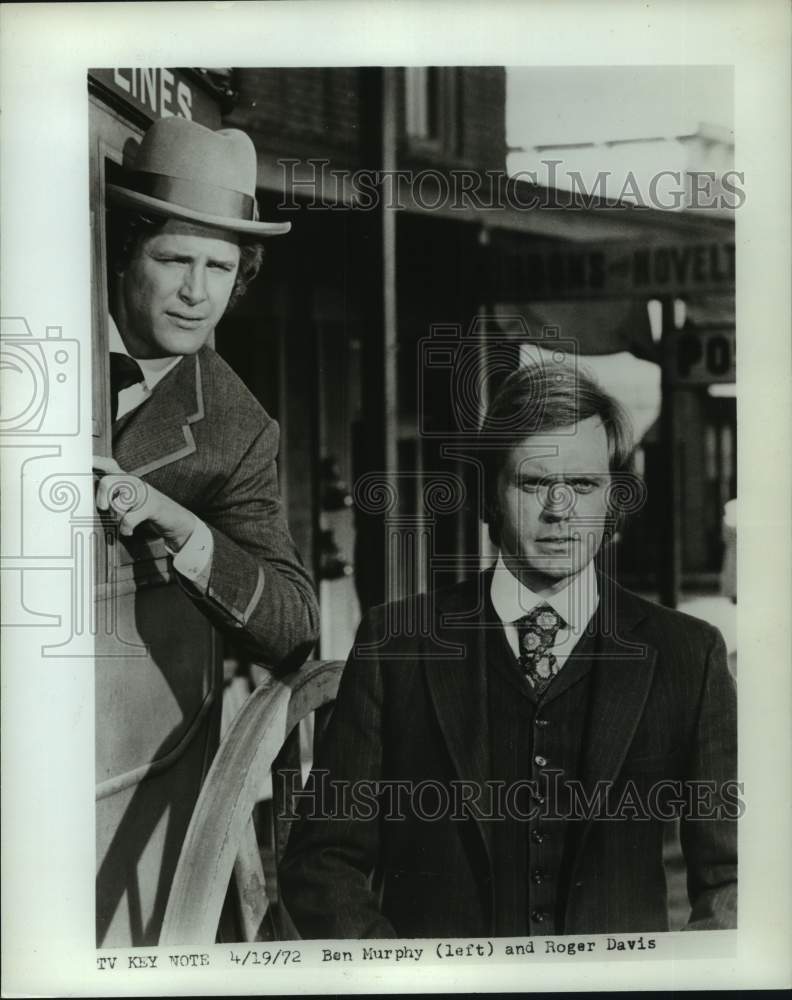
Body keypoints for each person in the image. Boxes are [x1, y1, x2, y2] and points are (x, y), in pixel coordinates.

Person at [279, 361, 737, 937]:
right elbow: (322, 862)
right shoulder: (397, 644)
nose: (559, 511)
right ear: (489, 495)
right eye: (534, 483)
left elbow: (733, 878)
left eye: (584, 485)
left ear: (612, 499)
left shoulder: (688, 655)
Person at [93, 116, 318, 669]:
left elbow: (294, 626)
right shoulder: (39, 328)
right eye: (173, 260)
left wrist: (185, 527)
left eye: (219, 267)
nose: (196, 293)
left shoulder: (236, 426)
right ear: (123, 254)